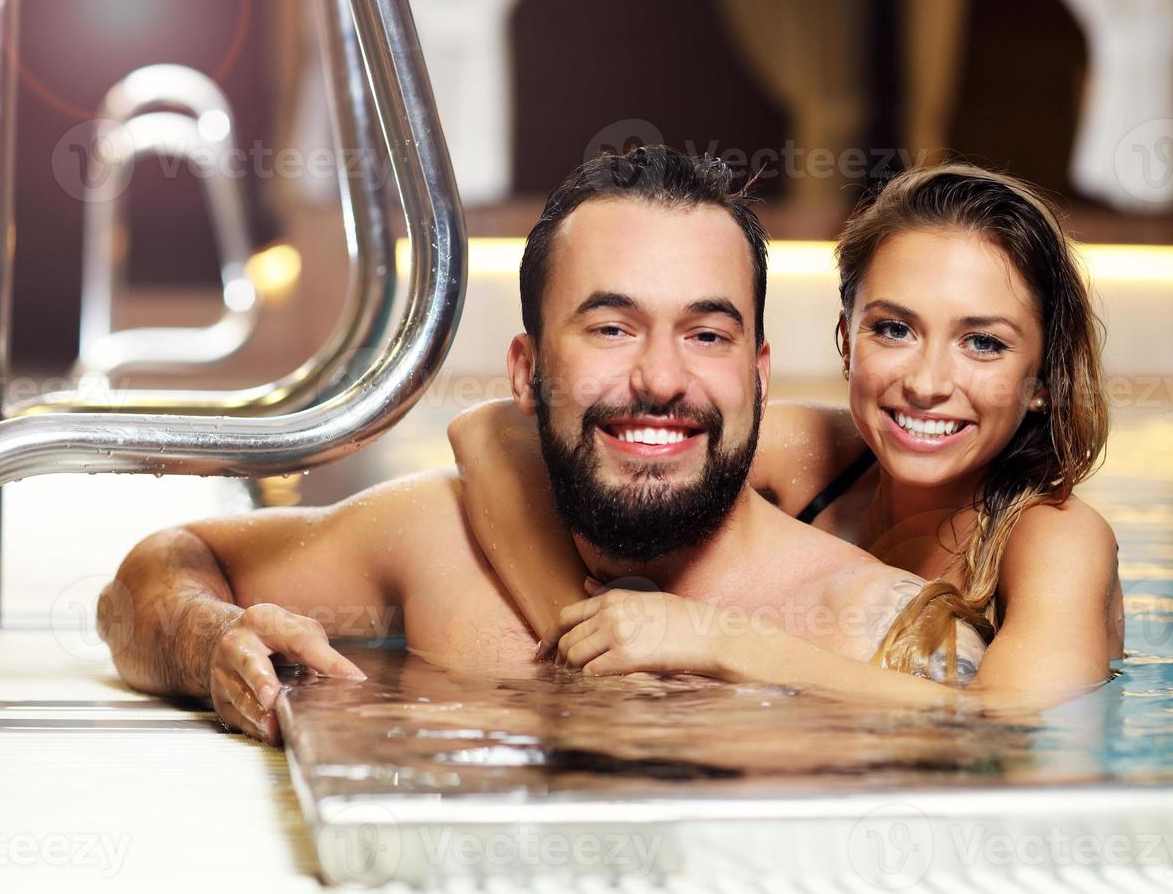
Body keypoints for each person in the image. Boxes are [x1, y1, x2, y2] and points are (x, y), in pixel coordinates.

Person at [98, 147, 978, 746]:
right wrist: (213, 643)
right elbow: (157, 570)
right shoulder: (438, 545)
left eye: (707, 336)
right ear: (524, 373)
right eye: (609, 326)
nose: (661, 379)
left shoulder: (875, 632)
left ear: (760, 374)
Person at [453, 162, 1123, 702]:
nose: (927, 382)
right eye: (893, 329)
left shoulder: (1054, 538)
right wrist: (581, 640)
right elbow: (490, 434)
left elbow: (1015, 730)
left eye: (983, 343)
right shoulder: (819, 458)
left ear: (1042, 379)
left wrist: (724, 643)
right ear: (846, 340)